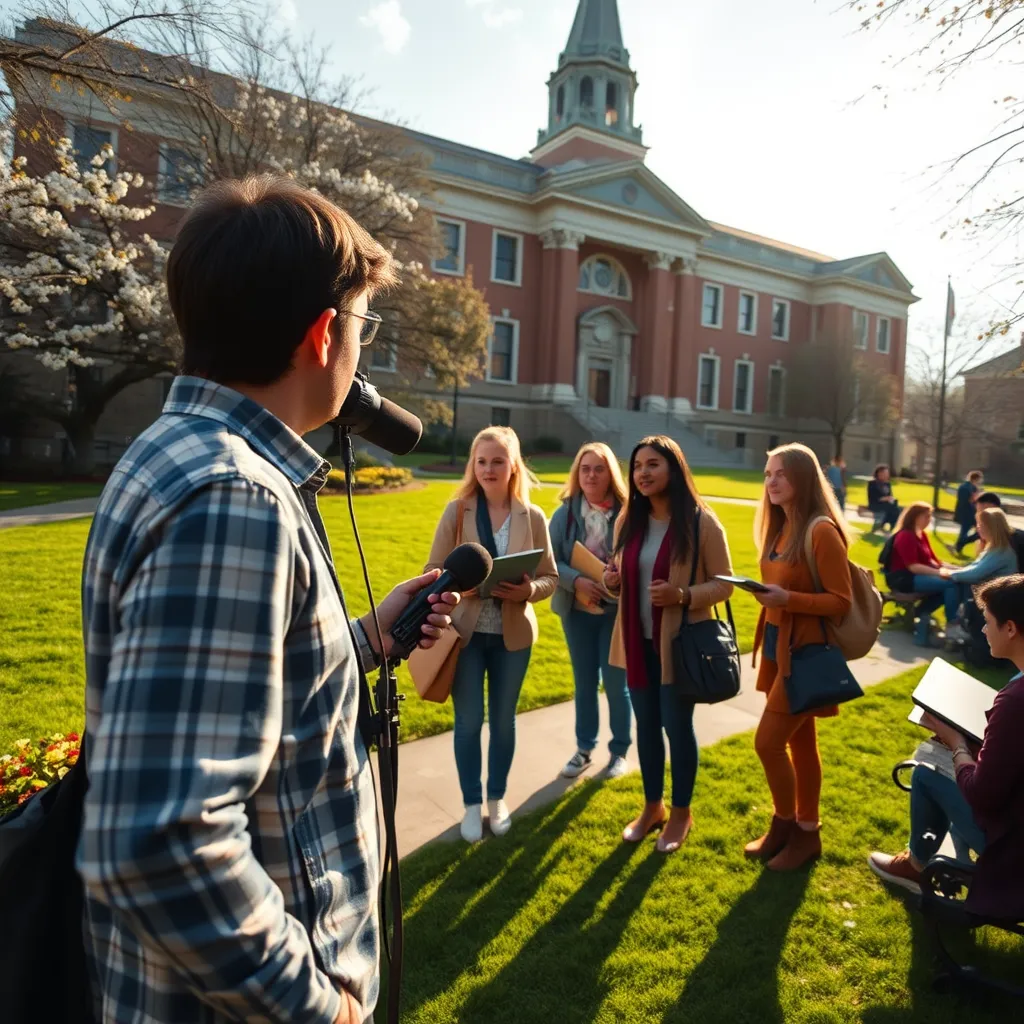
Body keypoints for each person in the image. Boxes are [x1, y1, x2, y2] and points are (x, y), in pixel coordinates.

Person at [78, 177, 460, 1024]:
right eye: (364, 327)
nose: (363, 353)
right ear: (324, 337)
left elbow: (227, 704)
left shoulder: (170, 454)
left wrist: (360, 642)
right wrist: (321, 1009)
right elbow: (159, 840)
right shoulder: (232, 497)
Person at [425, 426, 558, 843]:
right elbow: (431, 573)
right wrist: (455, 587)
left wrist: (528, 590)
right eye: (481, 461)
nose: (488, 469)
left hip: (511, 637)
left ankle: (497, 798)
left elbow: (550, 577)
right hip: (464, 636)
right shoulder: (458, 511)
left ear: (513, 465)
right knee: (467, 724)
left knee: (503, 722)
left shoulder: (532, 516)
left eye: (497, 461)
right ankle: (470, 804)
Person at [868, 574, 1024, 926]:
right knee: (950, 761)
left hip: (1013, 850)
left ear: (1010, 628)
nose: (983, 631)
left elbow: (981, 794)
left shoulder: (1015, 699)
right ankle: (932, 863)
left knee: (926, 770)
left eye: (987, 622)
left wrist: (957, 743)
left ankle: (916, 865)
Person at [603, 436, 734, 853]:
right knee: (646, 728)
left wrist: (683, 596)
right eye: (638, 465)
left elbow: (725, 585)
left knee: (677, 728)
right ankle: (652, 806)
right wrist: (612, 582)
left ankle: (681, 812)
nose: (643, 472)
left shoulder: (700, 522)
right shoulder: (628, 521)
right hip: (636, 643)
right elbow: (620, 576)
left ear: (674, 468)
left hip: (678, 647)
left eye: (653, 464)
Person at [745, 443, 853, 871]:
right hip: (777, 646)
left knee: (768, 744)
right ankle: (805, 831)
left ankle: (788, 826)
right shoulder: (780, 527)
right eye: (768, 474)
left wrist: (787, 597)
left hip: (805, 653)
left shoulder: (821, 531)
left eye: (781, 475)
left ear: (803, 480)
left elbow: (840, 601)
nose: (771, 482)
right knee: (799, 742)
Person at [549, 442, 632, 780]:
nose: (591, 475)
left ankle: (619, 752)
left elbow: (643, 556)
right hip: (577, 610)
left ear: (610, 474)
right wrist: (577, 581)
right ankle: (584, 749)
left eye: (599, 469)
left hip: (616, 613)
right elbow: (550, 560)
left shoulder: (629, 513)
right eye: (585, 469)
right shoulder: (564, 513)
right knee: (584, 682)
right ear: (577, 474)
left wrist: (617, 575)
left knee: (615, 684)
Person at [974, 492, 1024, 572]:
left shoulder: (1014, 539)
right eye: (978, 512)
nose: (981, 517)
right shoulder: (985, 536)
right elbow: (977, 568)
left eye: (985, 513)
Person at [953, 470, 984, 554]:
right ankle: (960, 545)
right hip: (967, 513)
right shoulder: (965, 487)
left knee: (980, 531)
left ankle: (960, 544)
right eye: (980, 479)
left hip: (972, 513)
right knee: (966, 532)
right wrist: (975, 498)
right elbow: (966, 501)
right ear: (976, 479)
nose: (981, 481)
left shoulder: (972, 487)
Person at [867, 464, 901, 532]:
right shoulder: (872, 483)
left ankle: (889, 526)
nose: (887, 475)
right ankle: (885, 526)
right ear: (879, 473)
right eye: (885, 473)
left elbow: (890, 495)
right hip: (875, 504)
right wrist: (884, 498)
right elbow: (872, 497)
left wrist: (891, 498)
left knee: (897, 508)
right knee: (894, 509)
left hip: (886, 504)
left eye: (887, 473)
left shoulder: (887, 484)